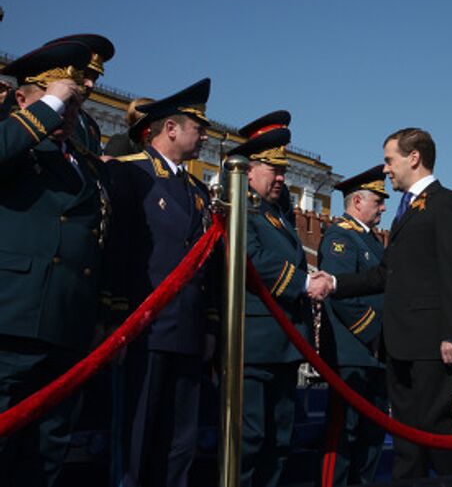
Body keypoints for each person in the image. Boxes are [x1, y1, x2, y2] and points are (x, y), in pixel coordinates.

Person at [325, 127, 452, 480]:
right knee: (407, 442)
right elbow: (384, 274)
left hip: (430, 343)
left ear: (414, 158)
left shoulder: (447, 202)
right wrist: (332, 282)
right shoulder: (406, 211)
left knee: (437, 432)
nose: (386, 169)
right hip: (401, 343)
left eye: (390, 160)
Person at [0, 40, 110, 486]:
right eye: (63, 102)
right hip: (12, 318)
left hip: (67, 323)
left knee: (48, 451)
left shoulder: (80, 163)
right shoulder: (16, 141)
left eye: (72, 106)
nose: (67, 114)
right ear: (24, 99)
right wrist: (47, 105)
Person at [107, 78, 218, 487]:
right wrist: (115, 316)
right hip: (144, 330)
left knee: (179, 445)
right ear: (170, 128)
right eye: (197, 126)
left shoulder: (199, 192)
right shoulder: (130, 175)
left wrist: (208, 325)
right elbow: (119, 252)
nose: (203, 135)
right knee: (137, 441)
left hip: (187, 333)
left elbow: (208, 267)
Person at [226, 110, 325, 487]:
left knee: (280, 438)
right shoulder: (241, 207)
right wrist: (303, 283)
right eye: (274, 170)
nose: (282, 178)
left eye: (283, 171)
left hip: (284, 342)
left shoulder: (274, 213)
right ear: (249, 169)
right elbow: (251, 258)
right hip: (254, 342)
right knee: (250, 439)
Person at [317, 165, 389, 486]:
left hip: (375, 356)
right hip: (352, 353)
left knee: (371, 438)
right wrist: (374, 334)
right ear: (358, 202)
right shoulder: (340, 236)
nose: (383, 207)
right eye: (378, 200)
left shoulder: (370, 240)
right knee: (343, 436)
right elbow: (340, 294)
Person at [45, 34, 115, 156]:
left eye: (95, 78)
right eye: (85, 75)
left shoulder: (90, 125)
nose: (90, 84)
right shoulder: (35, 112)